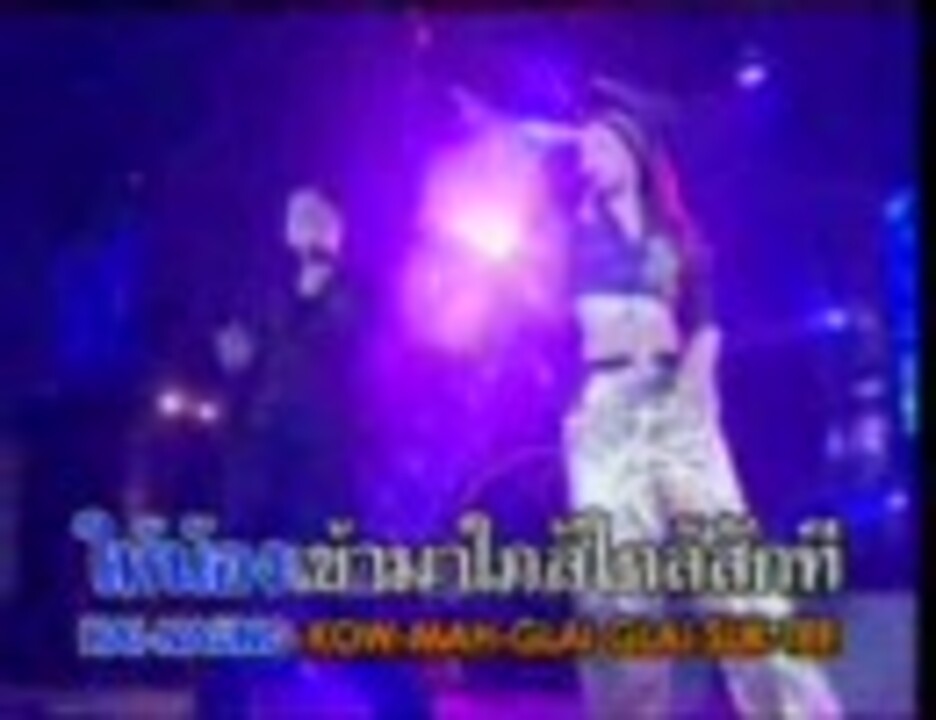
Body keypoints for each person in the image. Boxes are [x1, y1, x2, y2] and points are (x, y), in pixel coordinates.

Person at [558, 91, 844, 718]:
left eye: (602, 143)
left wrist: (701, 370)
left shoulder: (677, 235)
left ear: (633, 150)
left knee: (734, 573)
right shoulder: (568, 232)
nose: (588, 154)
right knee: (615, 590)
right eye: (584, 146)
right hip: (605, 409)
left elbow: (707, 319)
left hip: (674, 400)